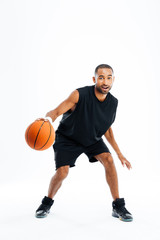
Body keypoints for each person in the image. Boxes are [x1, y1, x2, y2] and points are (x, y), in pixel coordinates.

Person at [35, 64, 133, 222]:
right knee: (62, 173)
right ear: (95, 79)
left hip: (91, 139)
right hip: (68, 138)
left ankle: (118, 206)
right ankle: (46, 203)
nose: (105, 81)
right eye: (101, 77)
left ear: (113, 80)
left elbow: (107, 129)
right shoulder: (79, 94)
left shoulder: (113, 103)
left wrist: (120, 154)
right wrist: (47, 119)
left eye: (109, 77)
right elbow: (57, 111)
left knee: (109, 160)